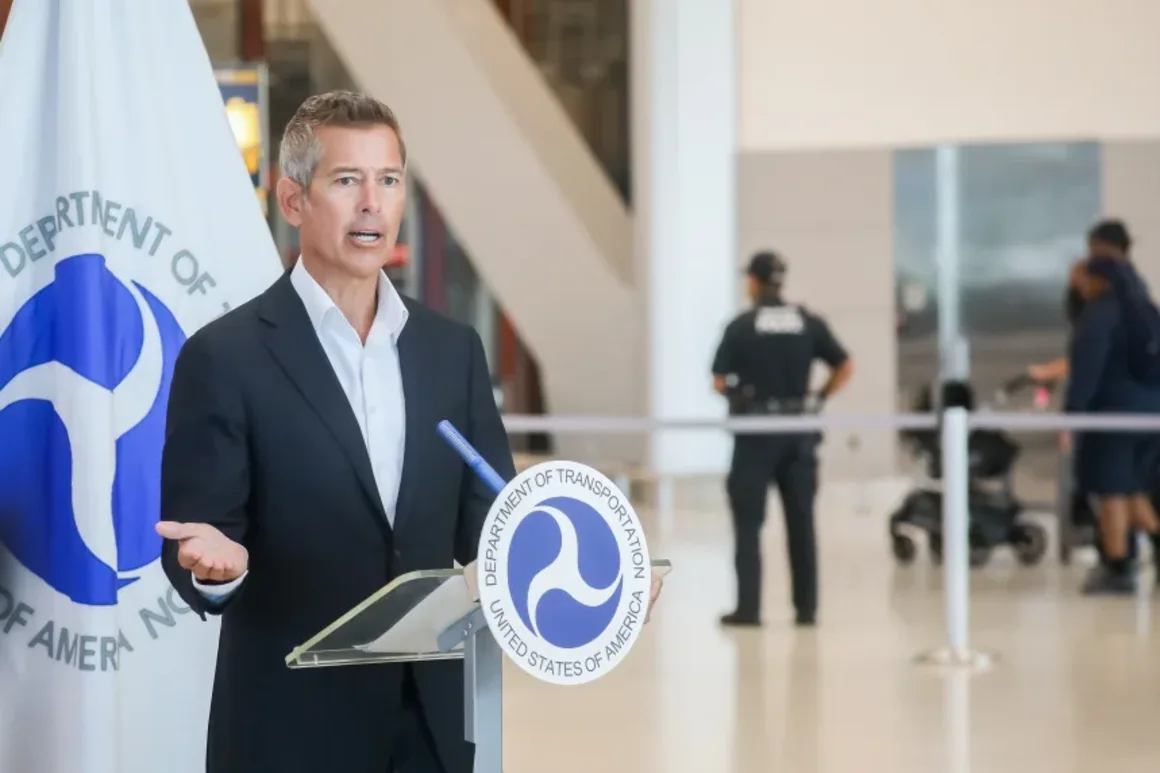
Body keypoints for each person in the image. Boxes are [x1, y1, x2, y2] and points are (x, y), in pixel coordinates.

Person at [155, 91, 663, 773]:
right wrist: (218, 571)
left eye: (389, 180)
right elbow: (194, 547)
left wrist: (612, 578)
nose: (373, 202)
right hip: (289, 730)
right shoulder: (226, 356)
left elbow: (498, 528)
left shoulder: (450, 350)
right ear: (293, 199)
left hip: (433, 731)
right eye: (346, 180)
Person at [711, 251, 853, 627]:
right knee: (802, 522)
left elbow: (719, 380)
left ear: (755, 282)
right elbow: (845, 364)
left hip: (756, 435)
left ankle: (749, 608)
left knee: (748, 524)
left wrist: (739, 397)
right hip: (798, 432)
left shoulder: (742, 326)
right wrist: (819, 398)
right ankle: (806, 609)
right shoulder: (807, 322)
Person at [1066, 219, 1160, 594]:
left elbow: (1088, 367)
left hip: (1114, 414)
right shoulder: (1143, 300)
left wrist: (1070, 415)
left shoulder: (1102, 312)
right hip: (1151, 414)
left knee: (1112, 493)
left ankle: (1118, 568)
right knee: (1134, 490)